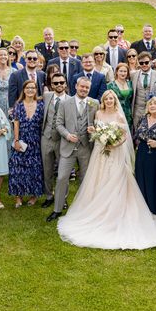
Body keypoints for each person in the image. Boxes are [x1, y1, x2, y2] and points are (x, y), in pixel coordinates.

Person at [57, 90, 156, 249]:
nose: (109, 100)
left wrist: (114, 144)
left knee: (116, 179)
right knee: (98, 179)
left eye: (111, 98)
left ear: (115, 100)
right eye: (107, 99)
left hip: (115, 152)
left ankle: (116, 211)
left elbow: (124, 136)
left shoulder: (119, 115)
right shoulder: (98, 113)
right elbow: (97, 131)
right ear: (103, 101)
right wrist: (96, 133)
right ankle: (97, 210)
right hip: (100, 152)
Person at [47, 77, 99, 222]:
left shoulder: (94, 103)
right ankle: (57, 209)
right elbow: (58, 123)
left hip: (86, 148)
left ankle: (84, 209)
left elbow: (98, 123)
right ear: (76, 86)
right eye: (82, 86)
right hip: (68, 147)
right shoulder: (65, 103)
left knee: (85, 179)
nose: (84, 89)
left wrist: (94, 129)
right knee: (62, 177)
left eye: (87, 88)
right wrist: (67, 135)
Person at [9, 80, 44, 208]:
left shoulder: (41, 104)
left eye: (33, 88)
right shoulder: (18, 104)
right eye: (28, 88)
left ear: (36, 90)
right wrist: (16, 141)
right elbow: (16, 123)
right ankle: (18, 197)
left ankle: (34, 195)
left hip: (36, 140)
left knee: (35, 169)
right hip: (22, 140)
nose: (30, 90)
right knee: (17, 168)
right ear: (24, 90)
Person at [40, 72, 70, 208]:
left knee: (63, 173)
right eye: (56, 83)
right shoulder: (46, 96)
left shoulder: (70, 101)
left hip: (63, 141)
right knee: (47, 170)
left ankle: (63, 198)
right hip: (46, 138)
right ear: (51, 85)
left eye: (61, 83)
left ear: (65, 84)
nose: (59, 85)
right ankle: (49, 195)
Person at [130, 52, 156, 132]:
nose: (144, 65)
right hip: (137, 109)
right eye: (141, 63)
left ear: (151, 62)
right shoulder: (133, 75)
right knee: (137, 131)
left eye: (146, 62)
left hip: (153, 109)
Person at [107, 63, 134, 128]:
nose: (123, 73)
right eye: (121, 71)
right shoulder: (110, 85)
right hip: (116, 113)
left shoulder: (130, 83)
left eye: (125, 71)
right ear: (117, 72)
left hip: (129, 114)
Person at [0, 47, 12, 118]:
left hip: (10, 103)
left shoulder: (14, 71)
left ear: (8, 57)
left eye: (5, 55)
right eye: (1, 55)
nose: (3, 57)